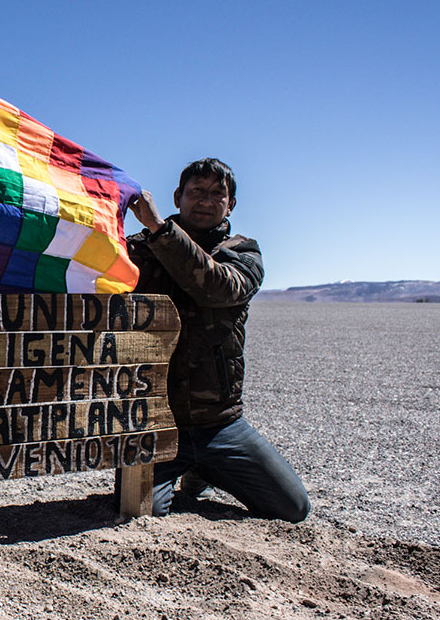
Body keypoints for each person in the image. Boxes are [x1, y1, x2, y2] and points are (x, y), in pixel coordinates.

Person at [124, 158, 309, 522]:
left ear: (231, 204)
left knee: (292, 507)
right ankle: (190, 469)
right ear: (178, 197)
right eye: (196, 192)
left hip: (220, 423)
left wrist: (161, 231)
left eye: (216, 194)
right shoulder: (140, 249)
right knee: (143, 510)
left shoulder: (243, 253)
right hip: (156, 423)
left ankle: (206, 469)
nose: (206, 201)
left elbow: (216, 288)